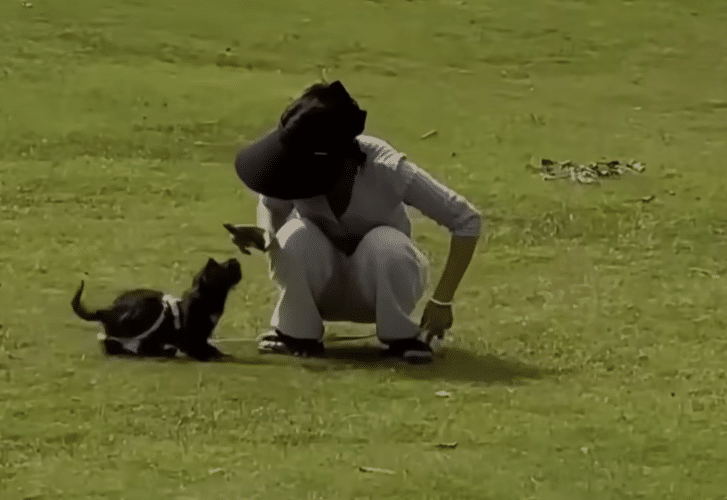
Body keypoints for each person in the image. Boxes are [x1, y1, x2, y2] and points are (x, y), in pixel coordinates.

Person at [229, 80, 481, 363]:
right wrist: (265, 233)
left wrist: (442, 301)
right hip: (320, 287)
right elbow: (270, 204)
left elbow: (466, 220)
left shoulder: (385, 167)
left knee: (385, 243)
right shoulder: (294, 167)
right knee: (295, 235)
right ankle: (296, 334)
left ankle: (401, 338)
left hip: (380, 289)